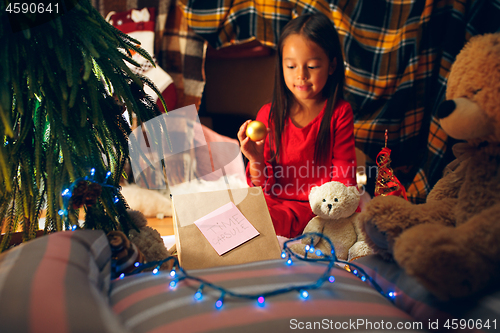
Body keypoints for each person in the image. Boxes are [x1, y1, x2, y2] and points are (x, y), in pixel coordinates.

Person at [237, 12, 357, 238]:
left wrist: (334, 208)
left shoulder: (339, 113)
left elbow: (344, 177)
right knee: (238, 216)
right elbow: (263, 187)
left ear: (331, 66)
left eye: (311, 66)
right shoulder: (268, 115)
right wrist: (256, 159)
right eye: (291, 66)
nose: (301, 76)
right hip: (277, 203)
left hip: (320, 210)